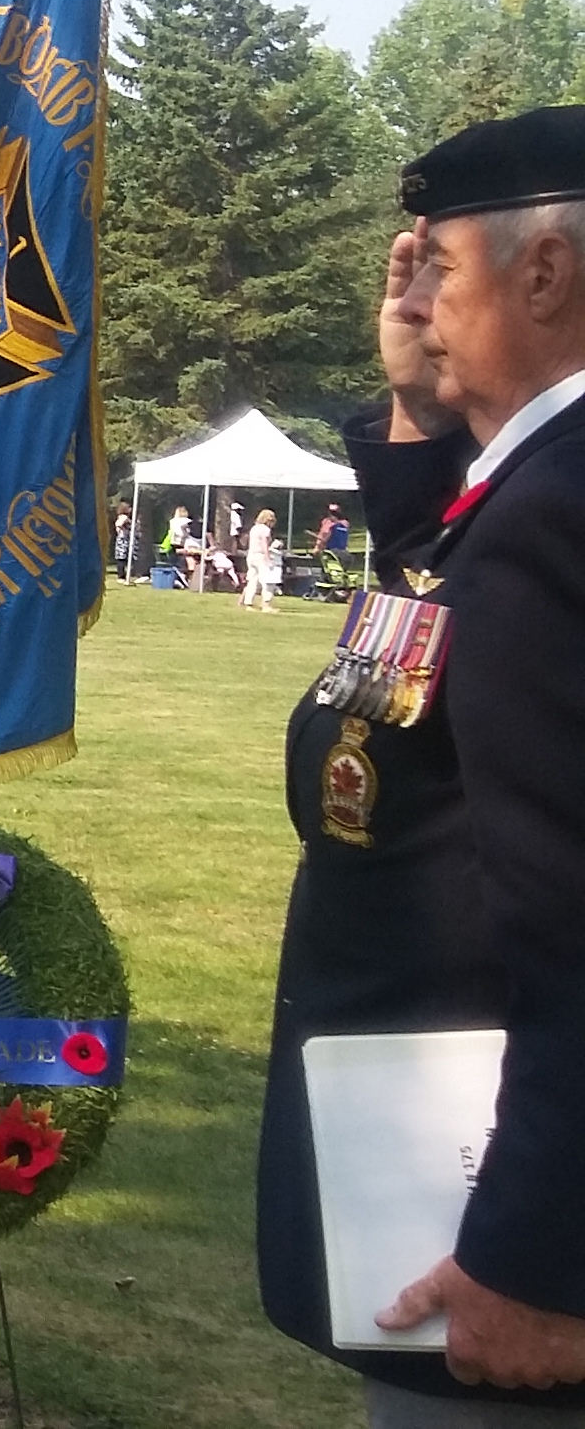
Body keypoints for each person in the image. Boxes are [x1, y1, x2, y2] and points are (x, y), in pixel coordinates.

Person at [364, 106, 585, 1408]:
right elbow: (432, 586)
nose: (418, 295)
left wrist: (531, 1262)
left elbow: (573, 929)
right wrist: (413, 397)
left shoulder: (551, 519)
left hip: (525, 1241)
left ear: (546, 274)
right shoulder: (537, 487)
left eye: (439, 264)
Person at [243, 505, 282, 611]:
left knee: (252, 580)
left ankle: (248, 604)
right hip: (261, 556)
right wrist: (268, 558)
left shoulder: (254, 528)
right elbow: (265, 544)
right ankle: (266, 604)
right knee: (268, 582)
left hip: (251, 556)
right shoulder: (265, 529)